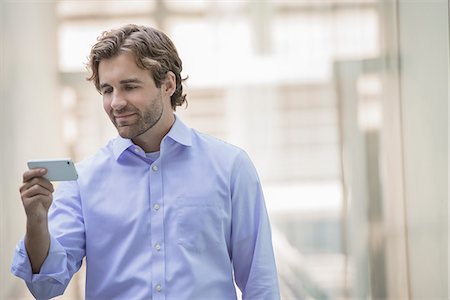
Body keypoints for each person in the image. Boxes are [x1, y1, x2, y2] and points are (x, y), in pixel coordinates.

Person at [11, 24, 280, 300]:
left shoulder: (230, 167)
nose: (116, 103)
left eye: (129, 87)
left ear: (168, 84)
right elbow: (46, 286)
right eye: (107, 90)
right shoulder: (83, 180)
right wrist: (36, 221)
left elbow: (260, 284)